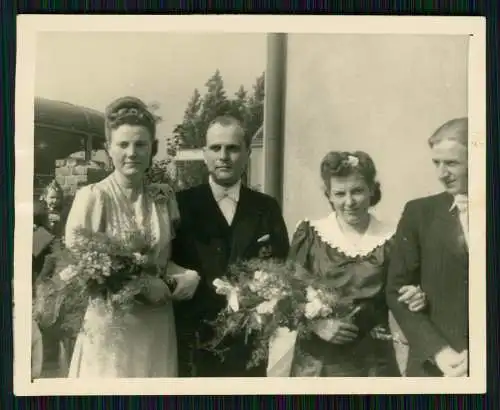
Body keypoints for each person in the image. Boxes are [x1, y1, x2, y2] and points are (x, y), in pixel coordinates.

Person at [61, 96, 200, 378]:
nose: (132, 152)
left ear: (152, 149)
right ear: (108, 149)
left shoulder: (163, 198)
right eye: (123, 144)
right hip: (112, 328)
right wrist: (139, 284)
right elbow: (81, 268)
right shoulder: (92, 198)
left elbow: (163, 260)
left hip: (157, 326)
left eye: (140, 144)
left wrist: (186, 275)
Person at [288, 151, 425, 377]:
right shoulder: (311, 234)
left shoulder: (392, 238)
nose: (349, 202)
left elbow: (405, 290)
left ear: (372, 190)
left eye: (357, 191)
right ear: (329, 195)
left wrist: (416, 294)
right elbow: (287, 295)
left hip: (374, 364)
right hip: (317, 364)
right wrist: (317, 325)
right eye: (340, 193)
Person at [172, 115, 290, 377]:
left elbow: (282, 267)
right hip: (193, 343)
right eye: (216, 148)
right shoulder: (181, 205)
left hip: (247, 346)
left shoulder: (265, 208)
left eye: (233, 148)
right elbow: (164, 261)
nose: (223, 156)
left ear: (247, 153)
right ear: (204, 154)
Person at [386, 117, 469, 377]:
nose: (441, 174)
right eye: (437, 163)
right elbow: (396, 291)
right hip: (435, 366)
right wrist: (439, 352)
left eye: (452, 163)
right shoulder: (420, 213)